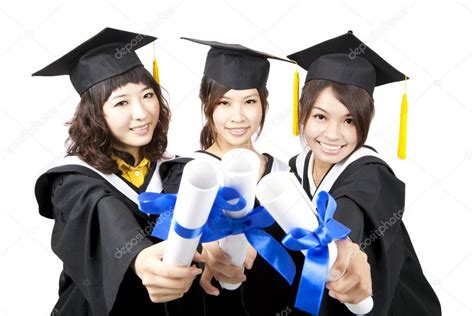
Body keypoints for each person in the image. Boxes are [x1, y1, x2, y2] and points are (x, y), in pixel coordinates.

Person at [160, 38, 372, 315]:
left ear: (264, 105)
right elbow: (170, 233)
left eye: (249, 101)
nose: (238, 116)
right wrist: (208, 246)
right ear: (207, 106)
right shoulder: (190, 173)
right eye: (224, 102)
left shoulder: (286, 173)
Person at [33, 27, 205, 315]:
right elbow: (100, 207)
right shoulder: (72, 181)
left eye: (147, 95)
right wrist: (138, 258)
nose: (141, 113)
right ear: (95, 114)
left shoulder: (178, 171)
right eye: (122, 102)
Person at [287, 30, 442, 315]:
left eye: (349, 120)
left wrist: (342, 243)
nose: (333, 135)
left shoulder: (372, 174)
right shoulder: (296, 167)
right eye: (320, 116)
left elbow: (351, 210)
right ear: (302, 113)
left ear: (366, 119)